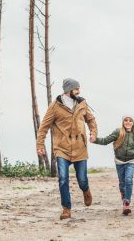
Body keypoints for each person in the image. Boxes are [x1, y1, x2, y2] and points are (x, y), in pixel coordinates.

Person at [36, 78, 97, 220]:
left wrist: (93, 133)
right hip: (62, 148)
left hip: (80, 147)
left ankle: (86, 190)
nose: (79, 91)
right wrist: (40, 145)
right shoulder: (55, 106)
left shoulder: (82, 103)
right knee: (63, 178)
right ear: (68, 90)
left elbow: (91, 120)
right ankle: (66, 208)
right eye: (76, 89)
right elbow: (44, 126)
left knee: (82, 179)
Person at [93, 115, 134, 215]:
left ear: (133, 123)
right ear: (123, 122)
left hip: (131, 161)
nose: (128, 122)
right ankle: (123, 195)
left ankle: (127, 203)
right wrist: (95, 140)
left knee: (128, 180)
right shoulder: (118, 132)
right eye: (126, 120)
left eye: (130, 120)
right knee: (122, 184)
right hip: (119, 162)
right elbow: (106, 140)